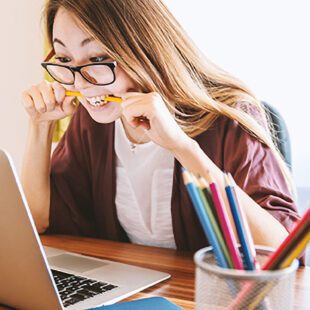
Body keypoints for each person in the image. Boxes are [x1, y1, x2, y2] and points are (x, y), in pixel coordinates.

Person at [21, 0, 300, 251]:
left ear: (144, 49)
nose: (80, 84)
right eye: (65, 59)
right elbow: (38, 220)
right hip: (132, 292)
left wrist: (181, 147)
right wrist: (40, 126)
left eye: (98, 59)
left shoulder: (229, 117)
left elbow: (282, 251)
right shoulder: (93, 121)